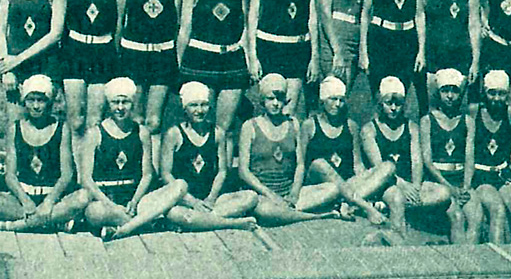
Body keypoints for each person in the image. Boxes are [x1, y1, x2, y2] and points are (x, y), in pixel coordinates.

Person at [177, 0, 252, 162]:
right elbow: (184, 29)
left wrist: (248, 57)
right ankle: (203, 177)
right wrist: (178, 65)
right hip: (200, 60)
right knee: (203, 126)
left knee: (226, 127)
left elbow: (247, 24)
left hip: (231, 60)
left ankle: (225, 177)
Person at [81, 77, 187, 240]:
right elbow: (86, 179)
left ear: (132, 103)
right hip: (106, 199)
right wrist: (110, 205)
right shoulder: (95, 133)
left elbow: (147, 174)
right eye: (116, 102)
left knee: (180, 185)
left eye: (126, 102)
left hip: (135, 196)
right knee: (94, 212)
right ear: (109, 104)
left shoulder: (142, 132)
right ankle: (149, 224)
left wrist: (135, 200)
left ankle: (126, 227)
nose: (120, 108)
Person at [115, 0, 182, 169]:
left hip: (162, 56)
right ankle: (132, 170)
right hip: (133, 54)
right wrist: (117, 53)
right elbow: (120, 19)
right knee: (135, 117)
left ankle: (150, 173)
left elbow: (175, 23)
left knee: (154, 121)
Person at [238, 73, 343, 226]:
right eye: (270, 99)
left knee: (332, 189)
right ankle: (316, 216)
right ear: (262, 100)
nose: (275, 103)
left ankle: (287, 212)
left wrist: (294, 193)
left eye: (279, 99)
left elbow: (300, 164)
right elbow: (243, 171)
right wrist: (271, 195)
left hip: (288, 192)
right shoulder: (250, 126)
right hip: (262, 194)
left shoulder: (293, 124)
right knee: (263, 210)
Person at [160, 81, 259, 231]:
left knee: (250, 197)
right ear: (184, 108)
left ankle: (201, 221)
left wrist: (211, 198)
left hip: (211, 200)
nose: (199, 110)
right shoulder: (174, 134)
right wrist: (192, 202)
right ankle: (232, 223)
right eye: (193, 105)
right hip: (184, 200)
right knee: (174, 212)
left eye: (204, 105)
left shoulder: (218, 133)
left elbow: (222, 171)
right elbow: (166, 174)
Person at [361, 76, 450, 237]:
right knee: (396, 196)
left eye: (398, 104)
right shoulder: (369, 129)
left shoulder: (411, 127)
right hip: (386, 184)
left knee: (443, 193)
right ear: (381, 103)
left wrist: (415, 187)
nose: (394, 108)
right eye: (389, 103)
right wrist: (403, 186)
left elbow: (417, 161)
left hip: (408, 183)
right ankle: (399, 238)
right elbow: (380, 168)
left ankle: (387, 207)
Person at [299, 76, 393, 224]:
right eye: (333, 99)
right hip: (321, 182)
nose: (337, 104)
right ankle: (366, 207)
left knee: (388, 167)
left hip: (347, 182)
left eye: (341, 100)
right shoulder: (309, 125)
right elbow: (301, 163)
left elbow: (357, 163)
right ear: (322, 101)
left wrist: (367, 180)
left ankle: (346, 202)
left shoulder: (351, 126)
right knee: (320, 164)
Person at [0, 75, 89, 231]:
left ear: (49, 102)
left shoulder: (62, 128)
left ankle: (15, 225)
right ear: (24, 102)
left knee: (83, 197)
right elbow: (10, 175)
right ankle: (55, 222)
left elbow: (66, 174)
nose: (36, 106)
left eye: (41, 100)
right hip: (23, 199)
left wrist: (48, 202)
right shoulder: (15, 128)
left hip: (52, 198)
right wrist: (25, 200)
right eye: (31, 100)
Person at [60, 0, 119, 153]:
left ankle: (90, 174)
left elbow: (120, 20)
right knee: (75, 120)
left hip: (103, 51)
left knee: (94, 120)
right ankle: (75, 171)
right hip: (75, 50)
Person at [0, 0, 65, 113]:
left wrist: (18, 59)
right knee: (16, 126)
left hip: (44, 66)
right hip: (14, 70)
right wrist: (6, 67)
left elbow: (55, 34)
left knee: (43, 127)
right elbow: (1, 29)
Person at [464, 70, 511, 244]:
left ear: (507, 95)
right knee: (497, 209)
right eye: (492, 93)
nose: (496, 98)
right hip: (481, 175)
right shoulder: (473, 111)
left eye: (501, 94)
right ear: (484, 93)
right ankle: (496, 265)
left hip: (502, 175)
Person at [420, 69, 482, 243]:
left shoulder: (467, 121)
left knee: (476, 216)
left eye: (454, 91)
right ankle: (459, 264)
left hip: (461, 179)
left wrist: (467, 186)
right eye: (445, 90)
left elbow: (470, 157)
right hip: (437, 180)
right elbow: (427, 161)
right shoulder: (427, 120)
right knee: (456, 216)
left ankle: (473, 264)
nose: (449, 96)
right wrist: (449, 187)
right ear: (438, 93)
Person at [422, 0, 481, 103]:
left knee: (457, 112)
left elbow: (474, 26)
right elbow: (420, 21)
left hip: (461, 58)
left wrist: (475, 61)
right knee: (432, 111)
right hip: (433, 58)